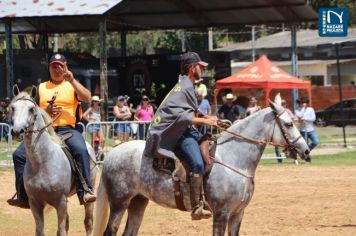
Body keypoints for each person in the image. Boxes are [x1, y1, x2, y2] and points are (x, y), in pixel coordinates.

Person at [8, 53, 96, 208]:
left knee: (81, 150)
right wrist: (45, 110)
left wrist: (72, 80)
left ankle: (86, 191)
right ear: (49, 68)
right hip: (44, 131)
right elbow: (33, 111)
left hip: (67, 130)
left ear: (65, 67)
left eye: (60, 66)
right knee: (18, 155)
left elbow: (88, 97)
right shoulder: (41, 87)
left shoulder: (72, 85)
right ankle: (22, 196)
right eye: (53, 66)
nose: (57, 69)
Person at [144, 52, 218, 220]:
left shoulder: (186, 85)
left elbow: (189, 111)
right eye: (200, 66)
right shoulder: (184, 87)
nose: (202, 69)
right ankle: (197, 206)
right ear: (192, 68)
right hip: (178, 134)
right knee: (198, 163)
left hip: (183, 130)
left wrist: (208, 118)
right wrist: (206, 121)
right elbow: (183, 118)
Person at [294, 96, 319, 162]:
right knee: (304, 145)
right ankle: (307, 159)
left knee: (316, 142)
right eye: (302, 103)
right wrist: (300, 118)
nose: (303, 104)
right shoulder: (297, 110)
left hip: (311, 130)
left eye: (304, 103)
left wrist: (305, 118)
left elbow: (313, 118)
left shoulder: (310, 109)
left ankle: (306, 152)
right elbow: (297, 118)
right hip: (302, 130)